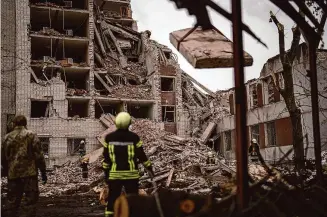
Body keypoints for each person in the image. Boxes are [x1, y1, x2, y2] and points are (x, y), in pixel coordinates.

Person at [102, 112, 154, 217]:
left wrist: (107, 175)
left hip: (115, 175)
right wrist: (149, 168)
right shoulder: (134, 137)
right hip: (131, 175)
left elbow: (106, 159)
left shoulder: (109, 138)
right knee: (133, 200)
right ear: (128, 123)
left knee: (113, 199)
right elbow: (142, 156)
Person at [1, 115, 47, 217]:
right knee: (30, 202)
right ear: (25, 123)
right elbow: (39, 156)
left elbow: (3, 158)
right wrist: (43, 172)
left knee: (12, 202)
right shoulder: (31, 135)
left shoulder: (6, 137)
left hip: (13, 174)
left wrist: (5, 172)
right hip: (29, 174)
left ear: (14, 124)